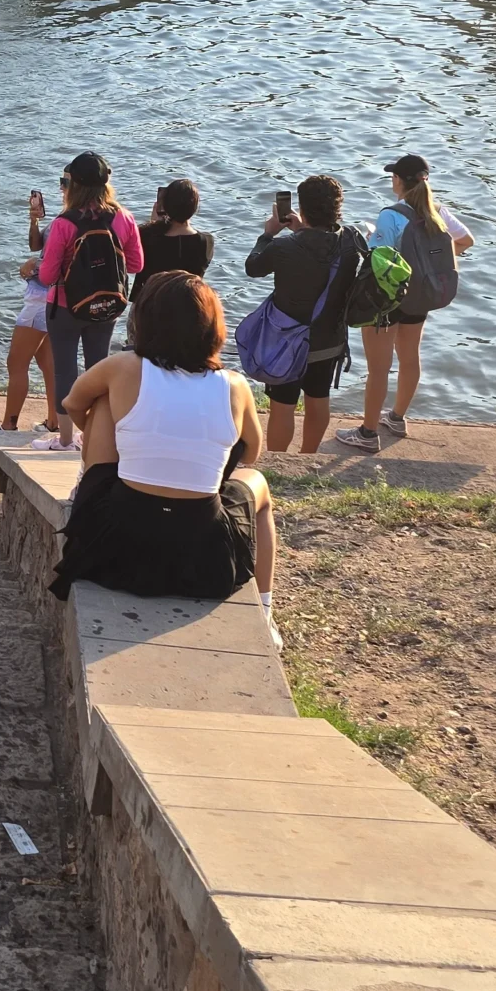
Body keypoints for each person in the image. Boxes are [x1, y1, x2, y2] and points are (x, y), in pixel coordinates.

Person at [52, 271, 279, 637]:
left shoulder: (123, 367)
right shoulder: (235, 385)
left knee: (104, 399)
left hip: (113, 543)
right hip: (204, 557)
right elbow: (251, 452)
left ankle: (88, 485)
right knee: (259, 485)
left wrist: (113, 440)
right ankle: (265, 609)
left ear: (146, 321)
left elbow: (73, 403)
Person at [335, 155, 475, 452]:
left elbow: (377, 259)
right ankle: (397, 418)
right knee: (410, 357)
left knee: (379, 368)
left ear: (398, 180)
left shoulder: (391, 215)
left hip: (388, 300)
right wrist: (428, 264)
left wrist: (371, 238)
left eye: (393, 176)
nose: (392, 180)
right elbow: (465, 241)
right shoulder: (437, 211)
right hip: (420, 296)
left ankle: (367, 434)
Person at [244, 173, 361, 455]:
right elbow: (321, 249)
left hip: (287, 342)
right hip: (328, 341)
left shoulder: (284, 246)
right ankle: (308, 457)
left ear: (303, 209)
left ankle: (278, 461)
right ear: (337, 209)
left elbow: (253, 267)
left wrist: (268, 234)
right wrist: (302, 229)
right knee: (318, 399)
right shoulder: (351, 243)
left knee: (283, 406)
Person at [38, 152, 142, 446]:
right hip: (108, 305)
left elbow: (47, 276)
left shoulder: (64, 223)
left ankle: (65, 440)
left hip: (64, 307)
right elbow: (136, 265)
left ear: (74, 184)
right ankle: (94, 437)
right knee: (98, 368)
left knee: (65, 371)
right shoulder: (124, 217)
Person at [0, 190, 57, 442]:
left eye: (66, 182)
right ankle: (54, 422)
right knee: (48, 363)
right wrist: (34, 220)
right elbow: (37, 246)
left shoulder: (72, 220)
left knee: (16, 363)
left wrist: (33, 265)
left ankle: (8, 428)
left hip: (41, 297)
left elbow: (63, 260)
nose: (62, 188)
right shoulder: (73, 217)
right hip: (54, 298)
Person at [135, 177, 214, 302]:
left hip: (151, 305)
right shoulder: (206, 242)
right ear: (194, 207)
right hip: (189, 304)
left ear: (165, 205)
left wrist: (153, 225)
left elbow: (141, 276)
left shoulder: (148, 236)